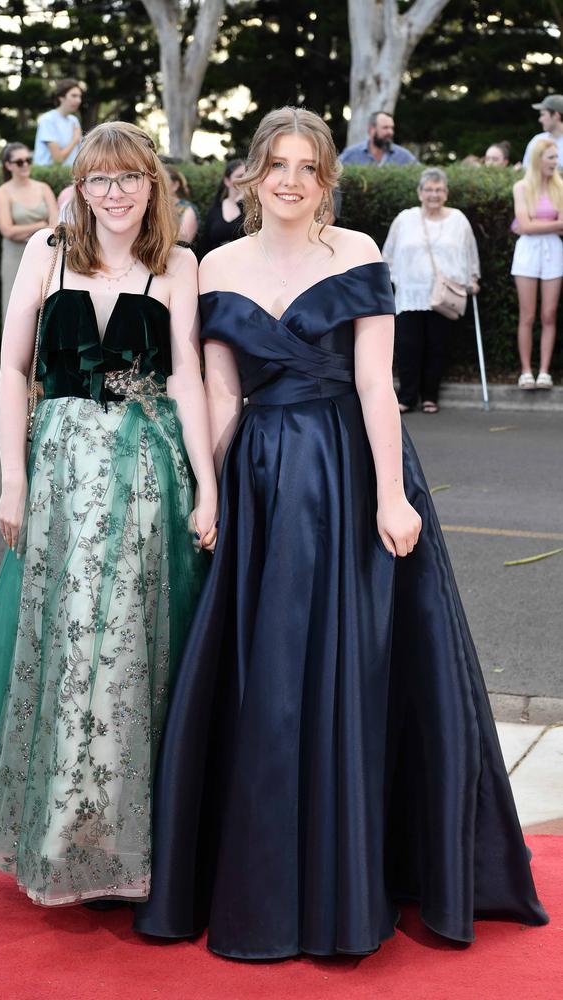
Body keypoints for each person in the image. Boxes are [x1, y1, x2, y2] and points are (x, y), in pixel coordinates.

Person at [133, 107, 547, 959]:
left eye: (307, 166)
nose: (290, 180)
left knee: (360, 671)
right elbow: (219, 393)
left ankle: (357, 876)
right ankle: (265, 879)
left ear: (328, 178)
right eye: (276, 164)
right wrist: (208, 492)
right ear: (250, 174)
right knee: (267, 677)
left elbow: (373, 386)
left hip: (348, 470)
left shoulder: (357, 253)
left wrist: (393, 499)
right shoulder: (214, 264)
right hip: (256, 479)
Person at [0, 121, 217, 907]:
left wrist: (208, 484)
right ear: (79, 189)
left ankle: (128, 845)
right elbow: (11, 373)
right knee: (64, 639)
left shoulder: (179, 263)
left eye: (130, 179)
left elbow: (189, 377)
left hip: (145, 472)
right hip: (59, 470)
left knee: (129, 642)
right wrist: (11, 481)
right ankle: (63, 833)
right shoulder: (46, 253)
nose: (115, 194)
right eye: (99, 180)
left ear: (153, 186)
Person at [382, 167, 480, 413]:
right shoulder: (405, 218)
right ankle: (406, 397)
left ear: (446, 193)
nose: (433, 194)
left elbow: (470, 253)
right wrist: (389, 279)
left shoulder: (458, 219)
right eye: (428, 190)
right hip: (410, 293)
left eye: (438, 190)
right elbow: (389, 254)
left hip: (446, 294)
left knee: (438, 347)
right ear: (419, 193)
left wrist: (473, 278)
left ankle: (430, 396)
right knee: (408, 347)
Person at [511, 137, 563, 389]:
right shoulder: (521, 187)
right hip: (528, 252)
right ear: (539, 159)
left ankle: (544, 370)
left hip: (553, 250)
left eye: (556, 157)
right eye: (551, 157)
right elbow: (524, 224)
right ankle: (526, 371)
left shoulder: (560, 187)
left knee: (549, 313)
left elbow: (529, 225)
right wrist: (549, 225)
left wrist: (532, 226)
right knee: (527, 314)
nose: (556, 162)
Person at [0, 142, 58, 321]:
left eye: (28, 160)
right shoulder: (3, 192)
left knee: (47, 306)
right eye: (20, 162)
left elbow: (55, 225)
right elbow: (7, 230)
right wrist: (40, 224)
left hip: (46, 253)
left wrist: (25, 231)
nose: (25, 165)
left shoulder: (43, 188)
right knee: (14, 307)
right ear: (8, 165)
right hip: (15, 256)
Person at [198, 158, 246, 256]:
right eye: (240, 176)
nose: (244, 179)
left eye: (247, 176)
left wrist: (243, 202)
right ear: (227, 181)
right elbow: (205, 244)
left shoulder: (255, 208)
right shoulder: (215, 209)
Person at [33, 78, 83, 167]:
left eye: (79, 96)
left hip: (70, 176)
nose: (78, 100)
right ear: (61, 97)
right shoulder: (48, 120)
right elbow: (58, 159)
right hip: (49, 177)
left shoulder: (74, 120)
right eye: (74, 96)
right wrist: (75, 140)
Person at [338, 110, 417, 166]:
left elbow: (423, 175)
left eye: (392, 128)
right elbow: (331, 174)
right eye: (385, 128)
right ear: (372, 130)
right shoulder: (352, 153)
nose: (390, 132)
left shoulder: (403, 155)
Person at [522, 94, 563, 169]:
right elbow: (526, 172)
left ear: (556, 115)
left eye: (543, 115)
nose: (540, 120)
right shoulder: (536, 140)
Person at [164, 164, 200, 245]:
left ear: (175, 185)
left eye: (163, 181)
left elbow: (183, 242)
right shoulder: (152, 207)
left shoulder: (187, 210)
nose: (158, 185)